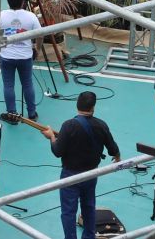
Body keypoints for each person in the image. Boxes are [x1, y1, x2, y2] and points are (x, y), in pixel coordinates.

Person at [44, 91, 120, 239]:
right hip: (91, 174)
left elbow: (58, 151)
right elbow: (112, 148)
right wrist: (117, 157)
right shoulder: (101, 125)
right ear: (93, 107)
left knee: (68, 211)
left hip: (70, 176)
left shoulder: (68, 126)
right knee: (89, 207)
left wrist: (52, 137)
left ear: (77, 105)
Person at [0, 0, 40, 120]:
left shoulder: (1, 15)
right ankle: (32, 113)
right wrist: (37, 48)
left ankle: (12, 114)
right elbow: (40, 34)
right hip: (25, 57)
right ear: (23, 1)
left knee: (8, 85)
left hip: (6, 56)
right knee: (27, 84)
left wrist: (2, 49)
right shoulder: (31, 17)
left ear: (8, 1)